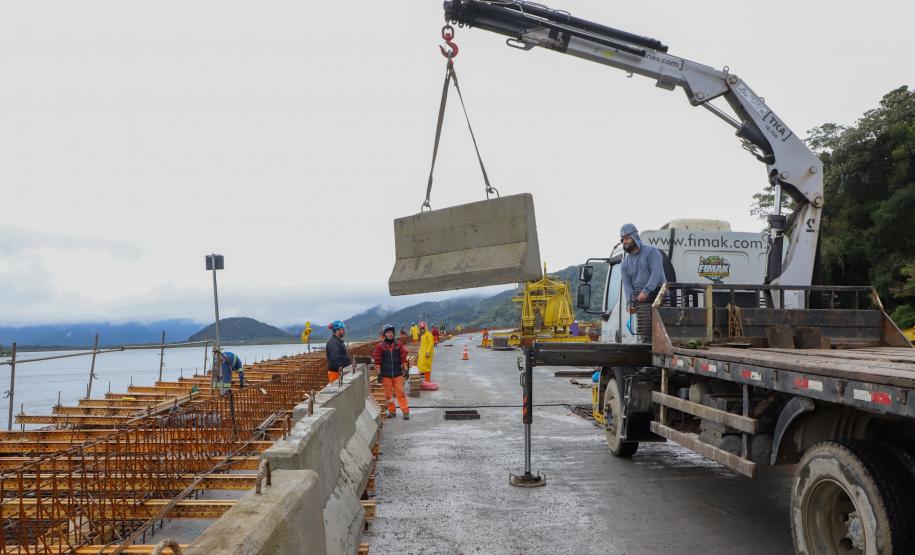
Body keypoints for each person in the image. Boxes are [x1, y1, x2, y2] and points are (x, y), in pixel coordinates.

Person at [619, 223, 666, 341]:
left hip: (660, 298)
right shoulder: (624, 264)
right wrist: (629, 303)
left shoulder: (652, 252)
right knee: (646, 338)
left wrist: (646, 291)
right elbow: (627, 286)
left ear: (635, 237)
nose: (624, 241)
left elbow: (657, 273)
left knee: (662, 336)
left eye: (627, 238)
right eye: (622, 239)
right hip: (641, 302)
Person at [372, 324, 410, 419]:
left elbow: (403, 358)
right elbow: (377, 361)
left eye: (391, 332)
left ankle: (405, 412)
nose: (390, 334)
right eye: (388, 332)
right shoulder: (380, 346)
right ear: (385, 334)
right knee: (388, 395)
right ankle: (392, 411)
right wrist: (379, 373)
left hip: (397, 374)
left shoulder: (398, 345)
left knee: (400, 393)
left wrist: (406, 370)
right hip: (386, 375)